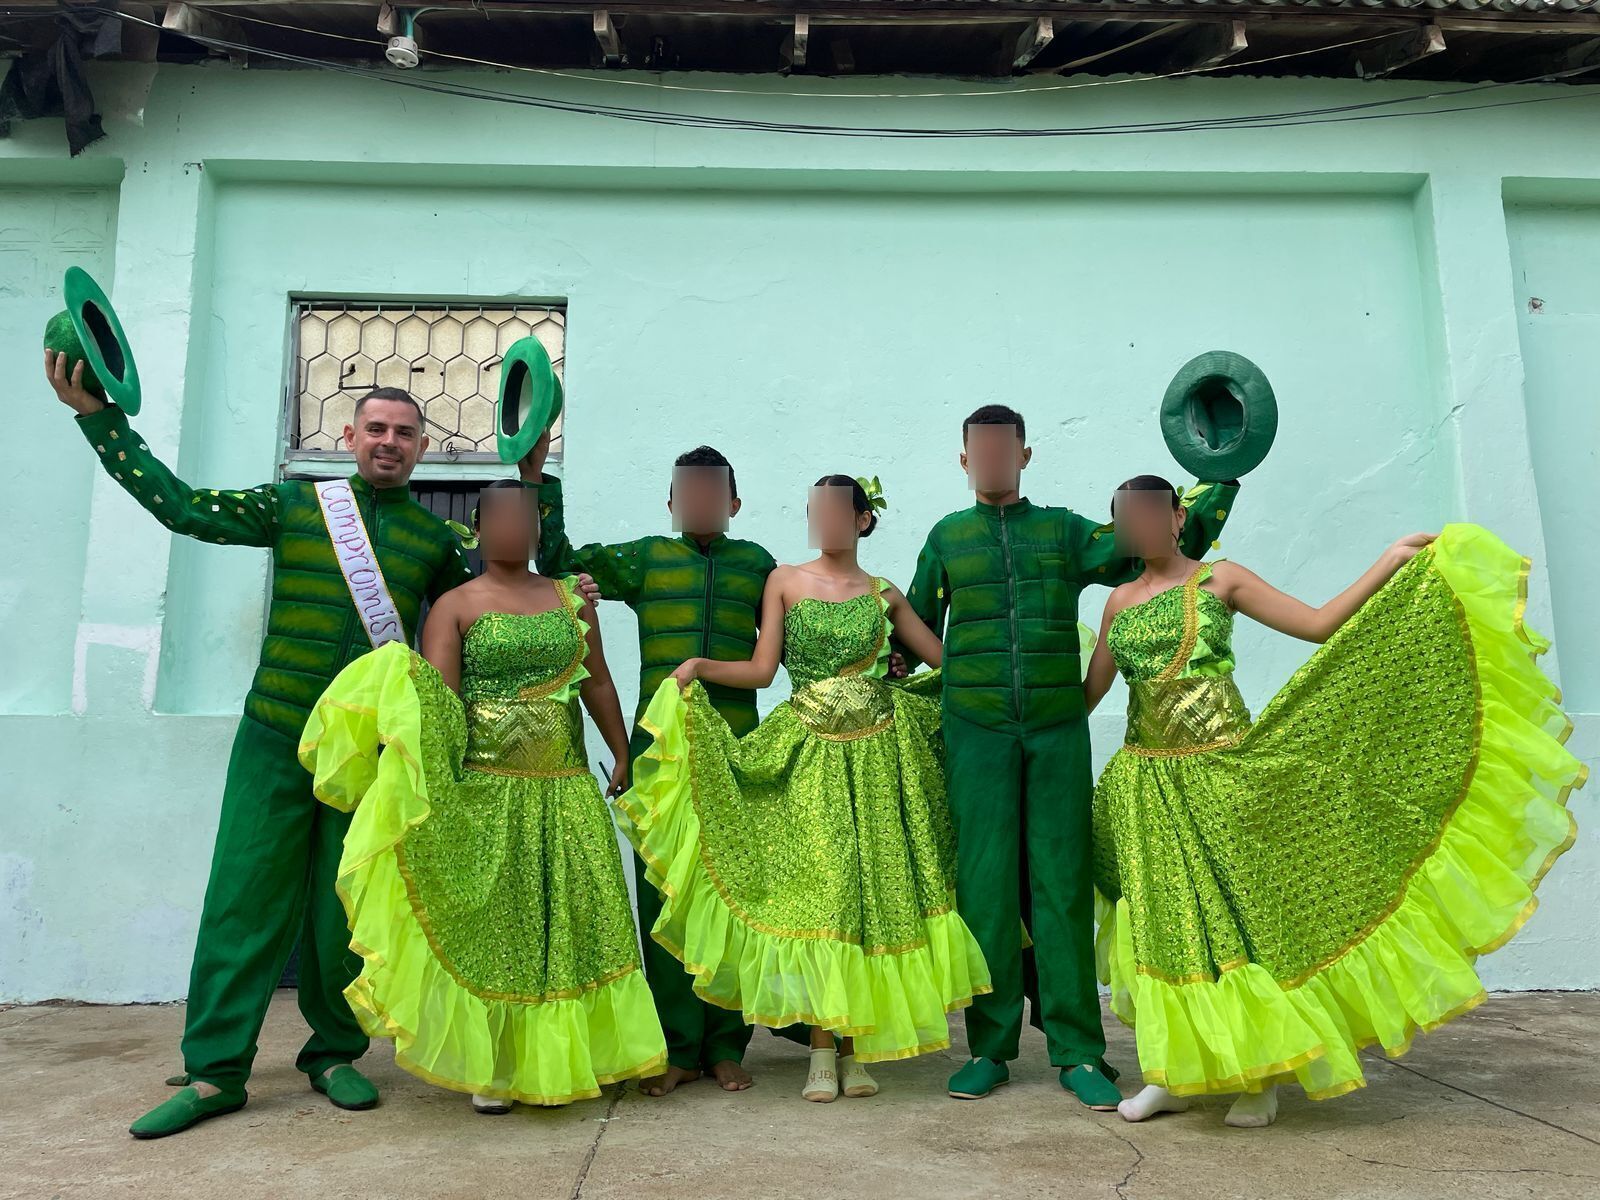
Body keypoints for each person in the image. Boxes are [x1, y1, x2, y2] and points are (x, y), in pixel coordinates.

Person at [45, 347, 480, 1137]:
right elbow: (182, 508)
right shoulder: (294, 505)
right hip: (275, 732)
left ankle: (334, 1053)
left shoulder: (437, 541)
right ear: (349, 437)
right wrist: (101, 422)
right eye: (376, 429)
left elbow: (487, 614)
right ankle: (215, 1071)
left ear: (423, 447)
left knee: (344, 912)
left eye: (404, 433)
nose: (389, 442)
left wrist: (562, 568)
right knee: (242, 900)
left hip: (370, 753)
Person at [1085, 476, 1586, 1128]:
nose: (1142, 526)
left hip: (1226, 777)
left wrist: (1388, 562)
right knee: (1168, 929)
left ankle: (1262, 1079)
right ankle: (1171, 1074)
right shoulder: (1118, 602)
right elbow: (1088, 695)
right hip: (1145, 787)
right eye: (1128, 518)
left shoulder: (1220, 580)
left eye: (1153, 513)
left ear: (1179, 518)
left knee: (1248, 924)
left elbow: (1319, 625)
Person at [903, 405, 1239, 1108]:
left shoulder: (1063, 531)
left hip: (1057, 728)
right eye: (979, 452)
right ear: (964, 461)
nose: (992, 462)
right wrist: (948, 673)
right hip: (975, 732)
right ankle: (989, 1049)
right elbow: (913, 629)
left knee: (1062, 881)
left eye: (1004, 451)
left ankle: (1079, 1051)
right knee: (985, 887)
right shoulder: (946, 538)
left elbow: (1153, 542)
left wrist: (1220, 474)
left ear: (1024, 456)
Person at [615, 476, 991, 1102]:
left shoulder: (884, 594)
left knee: (872, 897)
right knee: (826, 895)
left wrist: (915, 673)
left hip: (879, 763)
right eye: (816, 512)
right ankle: (821, 1050)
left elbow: (947, 663)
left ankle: (856, 1049)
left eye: (837, 513)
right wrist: (699, 667)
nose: (825, 523)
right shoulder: (784, 581)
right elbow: (763, 671)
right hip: (810, 757)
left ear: (863, 520)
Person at [298, 481, 667, 1112]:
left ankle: (567, 1054)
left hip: (566, 787)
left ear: (537, 529)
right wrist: (429, 777)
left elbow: (598, 681)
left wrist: (623, 750)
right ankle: (491, 1064)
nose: (513, 528)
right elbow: (442, 705)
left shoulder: (573, 599)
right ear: (478, 529)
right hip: (488, 790)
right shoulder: (454, 605)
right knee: (498, 927)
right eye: (499, 517)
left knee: (578, 920)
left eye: (524, 518)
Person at [527, 435, 801, 1094]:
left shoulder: (759, 567)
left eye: (714, 493)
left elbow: (802, 637)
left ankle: (727, 1044)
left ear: (734, 503)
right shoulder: (646, 560)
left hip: (736, 748)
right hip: (660, 752)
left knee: (733, 893)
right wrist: (538, 478)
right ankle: (678, 1046)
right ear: (672, 502)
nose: (701, 503)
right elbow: (559, 561)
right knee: (664, 892)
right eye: (689, 493)